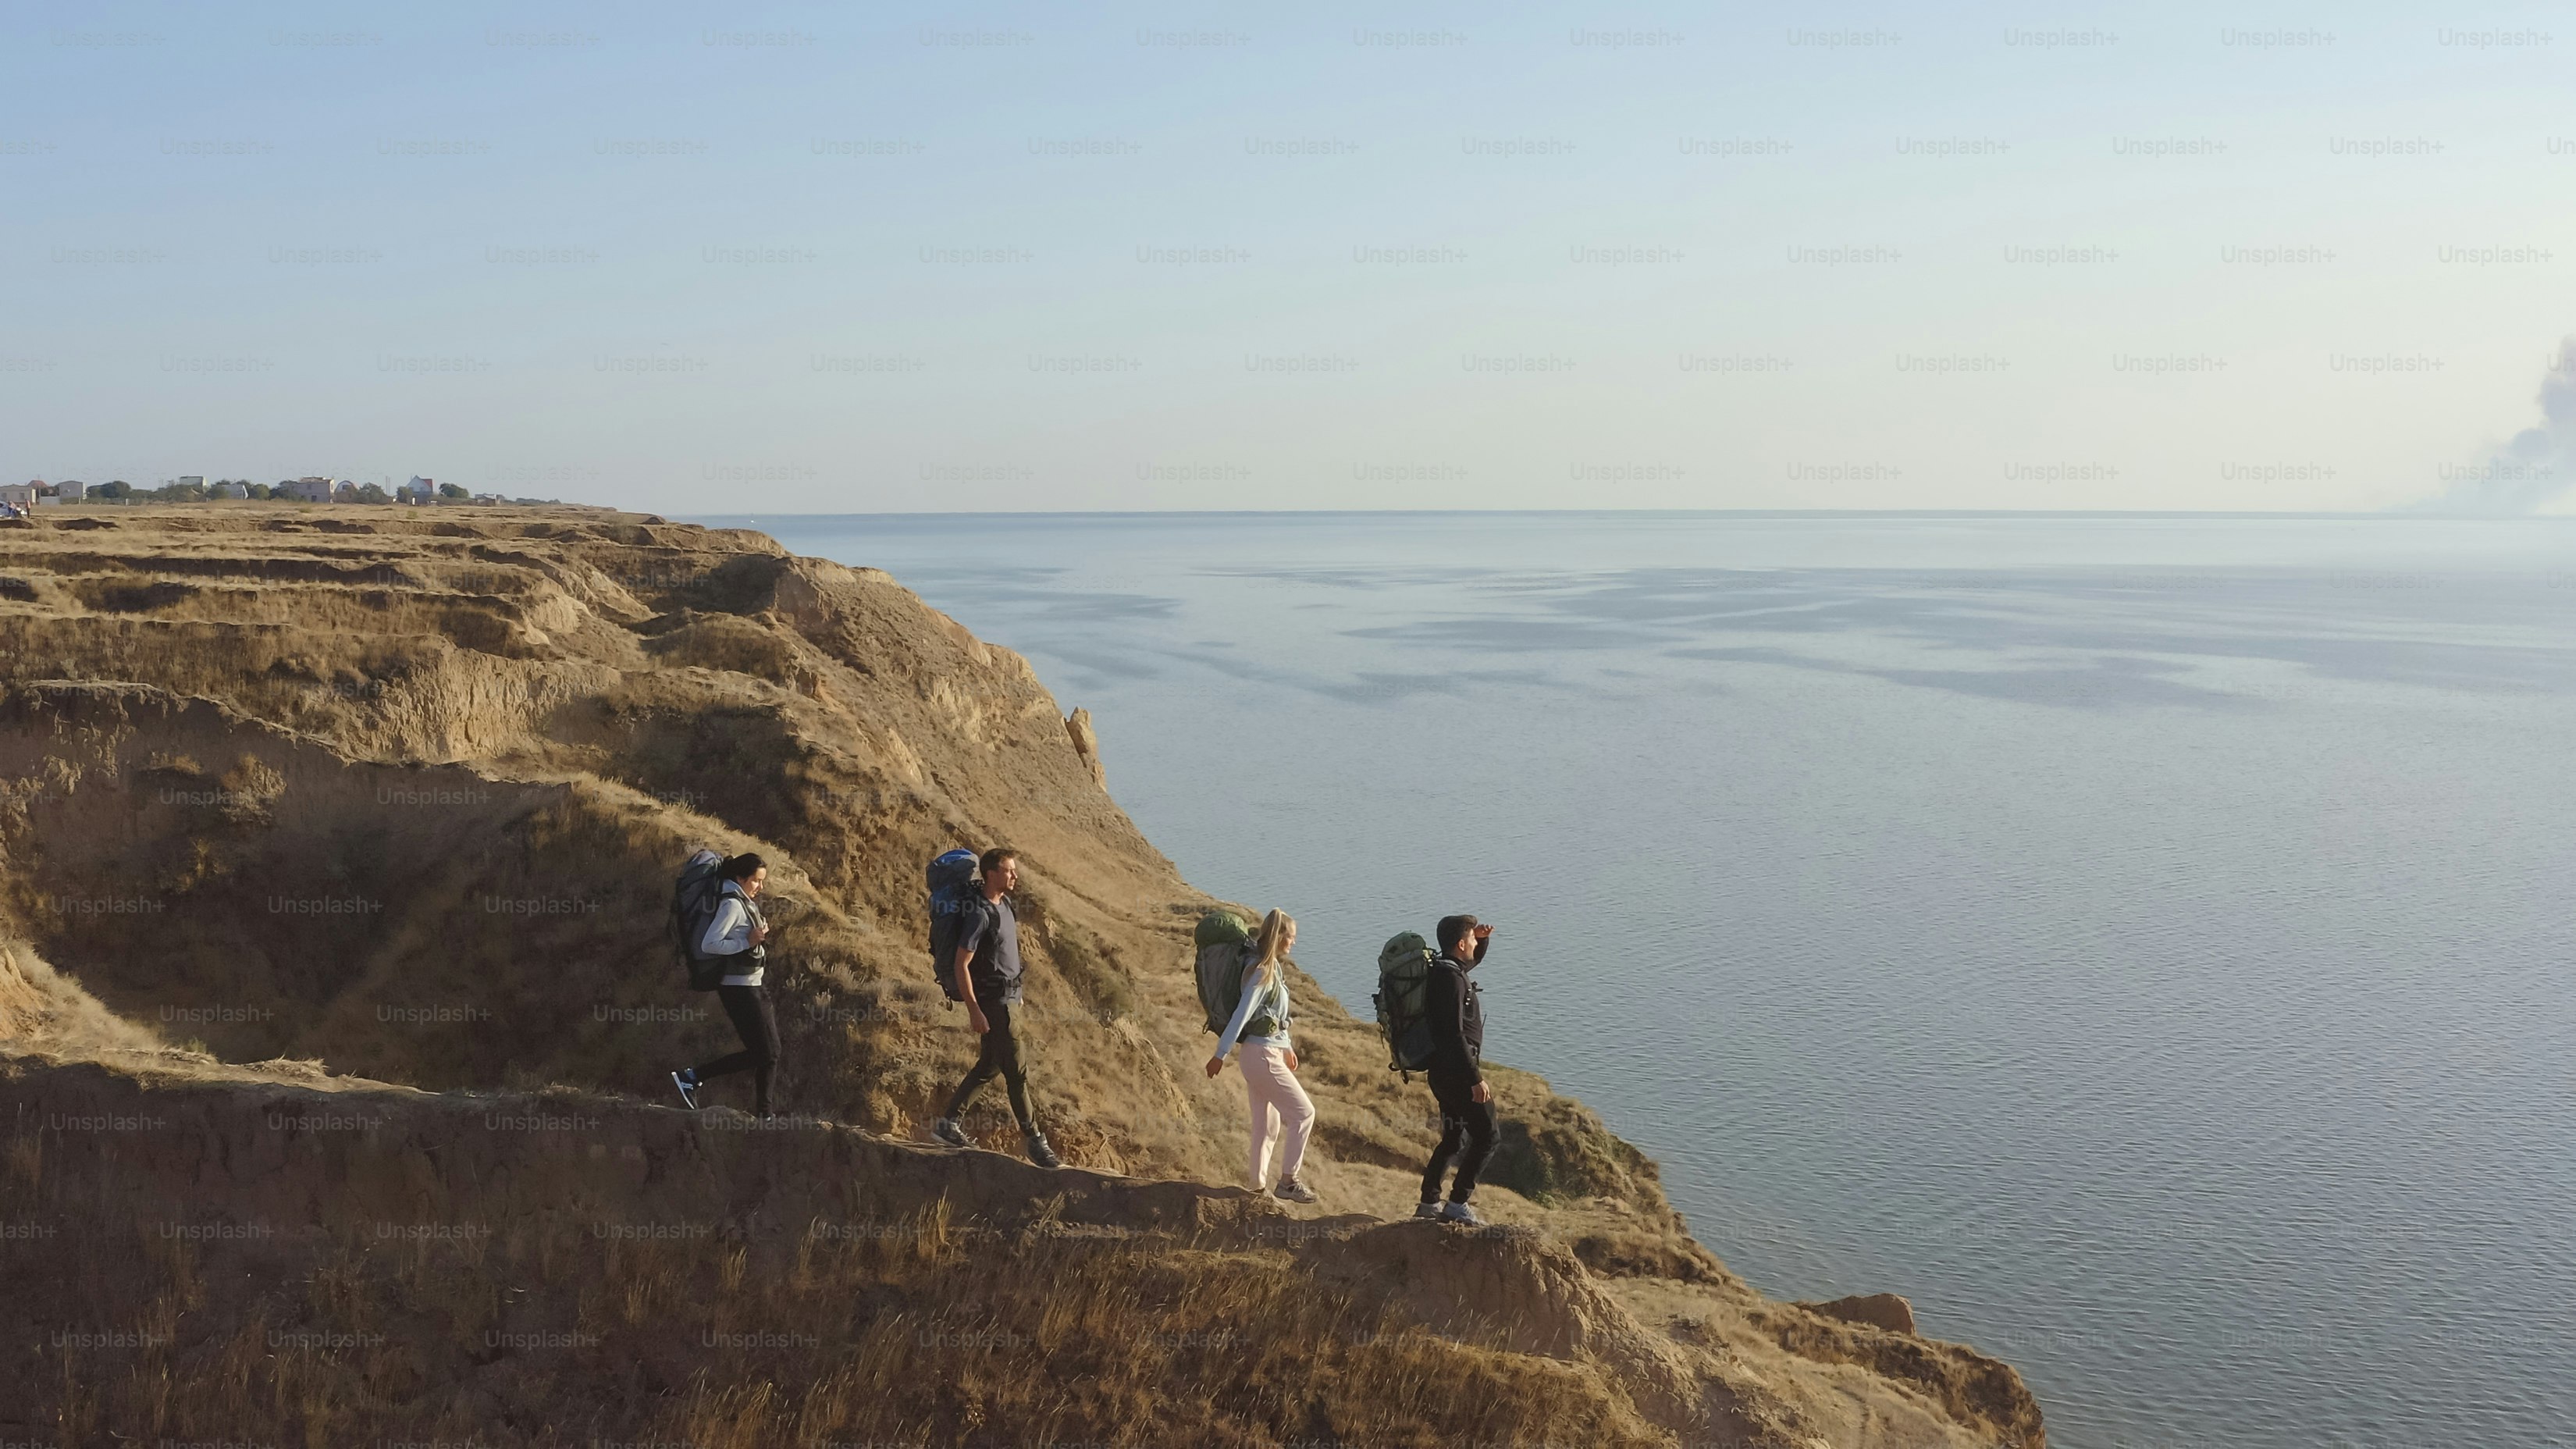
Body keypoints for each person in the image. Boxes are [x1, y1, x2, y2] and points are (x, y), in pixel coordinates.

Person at [928, 849, 1060, 1168]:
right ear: (990, 874)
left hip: (1010, 1000)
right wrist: (975, 1009)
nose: (1014, 876)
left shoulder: (1006, 904)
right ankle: (1035, 1141)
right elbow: (962, 965)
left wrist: (1019, 992)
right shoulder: (980, 913)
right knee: (1018, 1073)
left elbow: (1006, 955)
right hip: (995, 1005)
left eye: (1014, 870)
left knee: (990, 1066)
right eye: (1008, 870)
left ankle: (949, 1124)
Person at [1204, 909, 1317, 1203]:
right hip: (1262, 1056)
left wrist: (1287, 1046)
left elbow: (1274, 1017)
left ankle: (1255, 1189)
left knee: (1267, 1126)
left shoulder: (1271, 968)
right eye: (1290, 938)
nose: (1293, 944)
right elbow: (1243, 1014)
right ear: (1279, 937)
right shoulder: (1261, 971)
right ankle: (1289, 1182)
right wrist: (1220, 1054)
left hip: (1264, 1055)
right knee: (1304, 1114)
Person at [669, 853, 781, 1116]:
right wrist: (748, 942)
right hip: (740, 990)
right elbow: (710, 943)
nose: (760, 887)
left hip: (752, 986)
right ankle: (693, 1077)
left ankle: (765, 1114)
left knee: (770, 1052)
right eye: (756, 881)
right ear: (740, 878)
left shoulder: (743, 901)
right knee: (766, 1053)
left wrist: (756, 934)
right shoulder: (731, 904)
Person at [1416, 913, 1496, 1225]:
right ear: (1460, 944)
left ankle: (1429, 1202)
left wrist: (1483, 939)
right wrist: (1475, 1079)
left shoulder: (1448, 970)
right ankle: (1457, 1203)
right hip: (1457, 1075)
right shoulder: (1450, 980)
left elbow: (1470, 963)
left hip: (1443, 1073)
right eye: (1472, 941)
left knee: (1454, 1138)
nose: (1475, 944)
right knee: (1489, 1136)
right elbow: (1453, 1034)